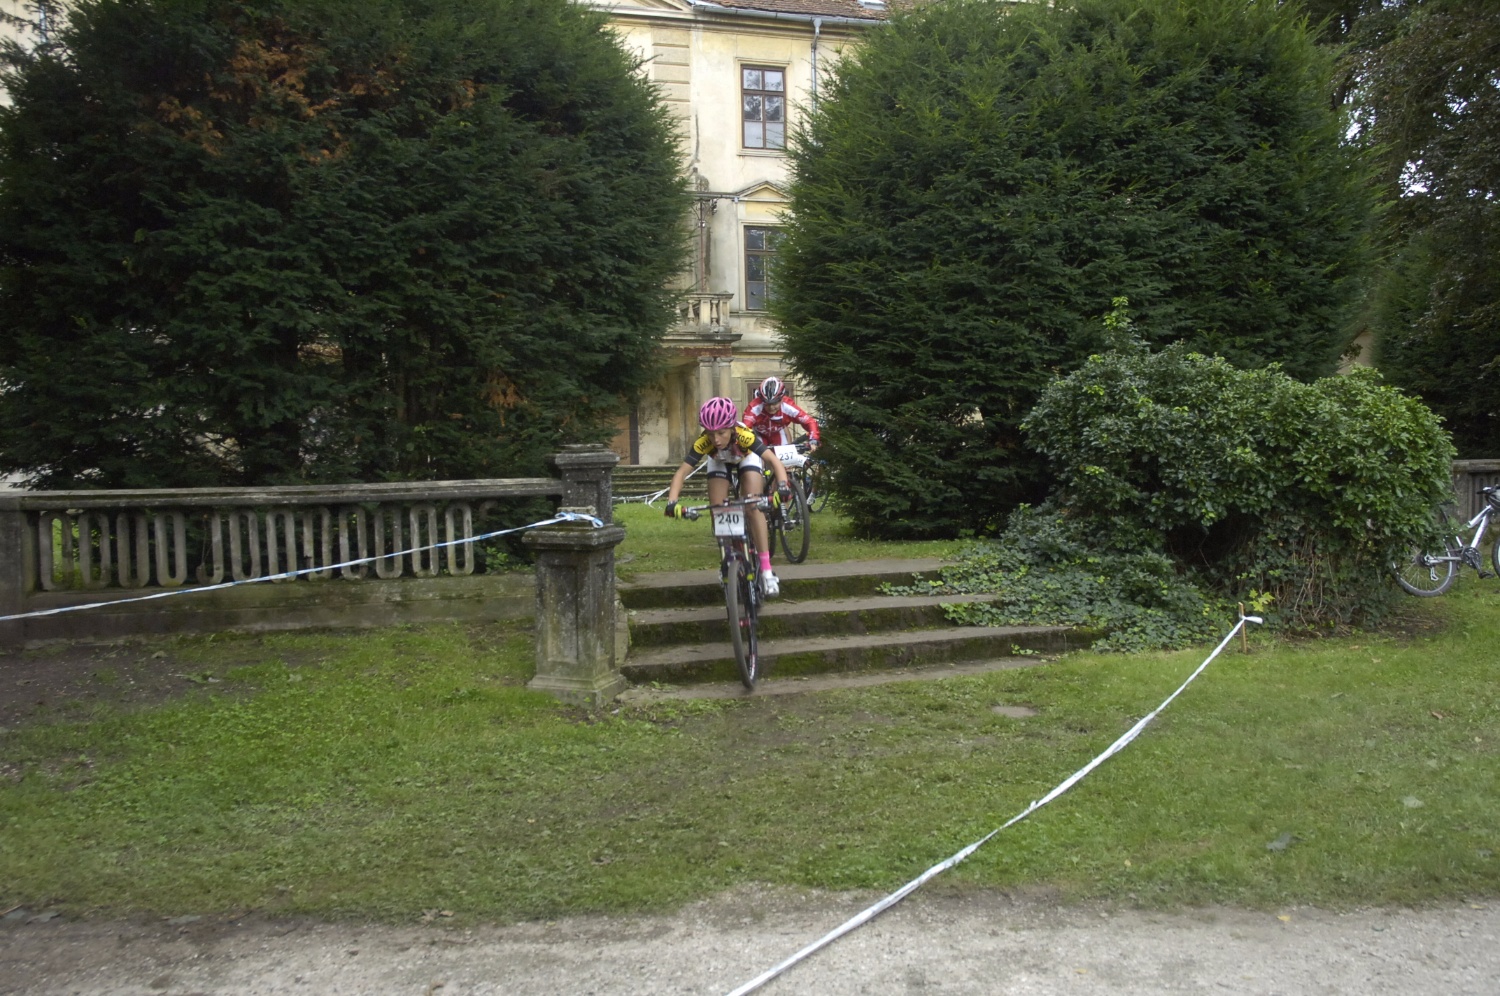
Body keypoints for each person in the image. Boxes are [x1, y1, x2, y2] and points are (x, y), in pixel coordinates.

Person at [664, 396, 792, 597]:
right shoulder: (704, 443)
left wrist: (783, 486)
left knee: (753, 505)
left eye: (721, 433)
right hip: (719, 461)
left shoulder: (745, 436)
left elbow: (774, 462)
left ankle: (767, 571)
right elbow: (681, 473)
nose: (715, 439)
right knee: (718, 509)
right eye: (710, 433)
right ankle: (727, 558)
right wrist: (672, 502)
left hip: (746, 457)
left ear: (732, 428)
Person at [743, 376, 820, 450]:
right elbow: (744, 428)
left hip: (778, 433)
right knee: (755, 455)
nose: (771, 407)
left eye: (775, 403)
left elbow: (810, 421)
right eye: (767, 403)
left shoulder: (788, 406)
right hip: (759, 433)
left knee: (783, 456)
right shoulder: (754, 407)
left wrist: (813, 439)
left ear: (782, 399)